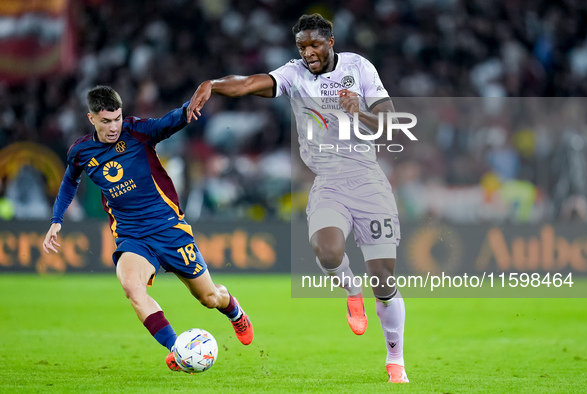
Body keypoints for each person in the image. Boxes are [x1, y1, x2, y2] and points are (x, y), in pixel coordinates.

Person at [187, 14, 408, 383]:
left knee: (384, 281)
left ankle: (395, 360)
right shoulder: (295, 74)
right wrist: (213, 84)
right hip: (329, 182)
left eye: (314, 45)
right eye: (301, 47)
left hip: (369, 181)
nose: (308, 53)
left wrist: (359, 112)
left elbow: (391, 123)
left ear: (331, 41)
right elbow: (248, 84)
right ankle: (352, 289)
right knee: (327, 250)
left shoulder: (360, 68)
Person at [42, 85, 254, 372]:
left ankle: (234, 310)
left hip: (169, 228)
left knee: (208, 298)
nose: (114, 126)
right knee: (131, 287)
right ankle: (177, 349)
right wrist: (57, 219)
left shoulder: (136, 132)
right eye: (106, 121)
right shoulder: (81, 152)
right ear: (91, 118)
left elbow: (166, 123)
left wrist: (187, 109)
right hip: (132, 236)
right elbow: (70, 181)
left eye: (117, 118)